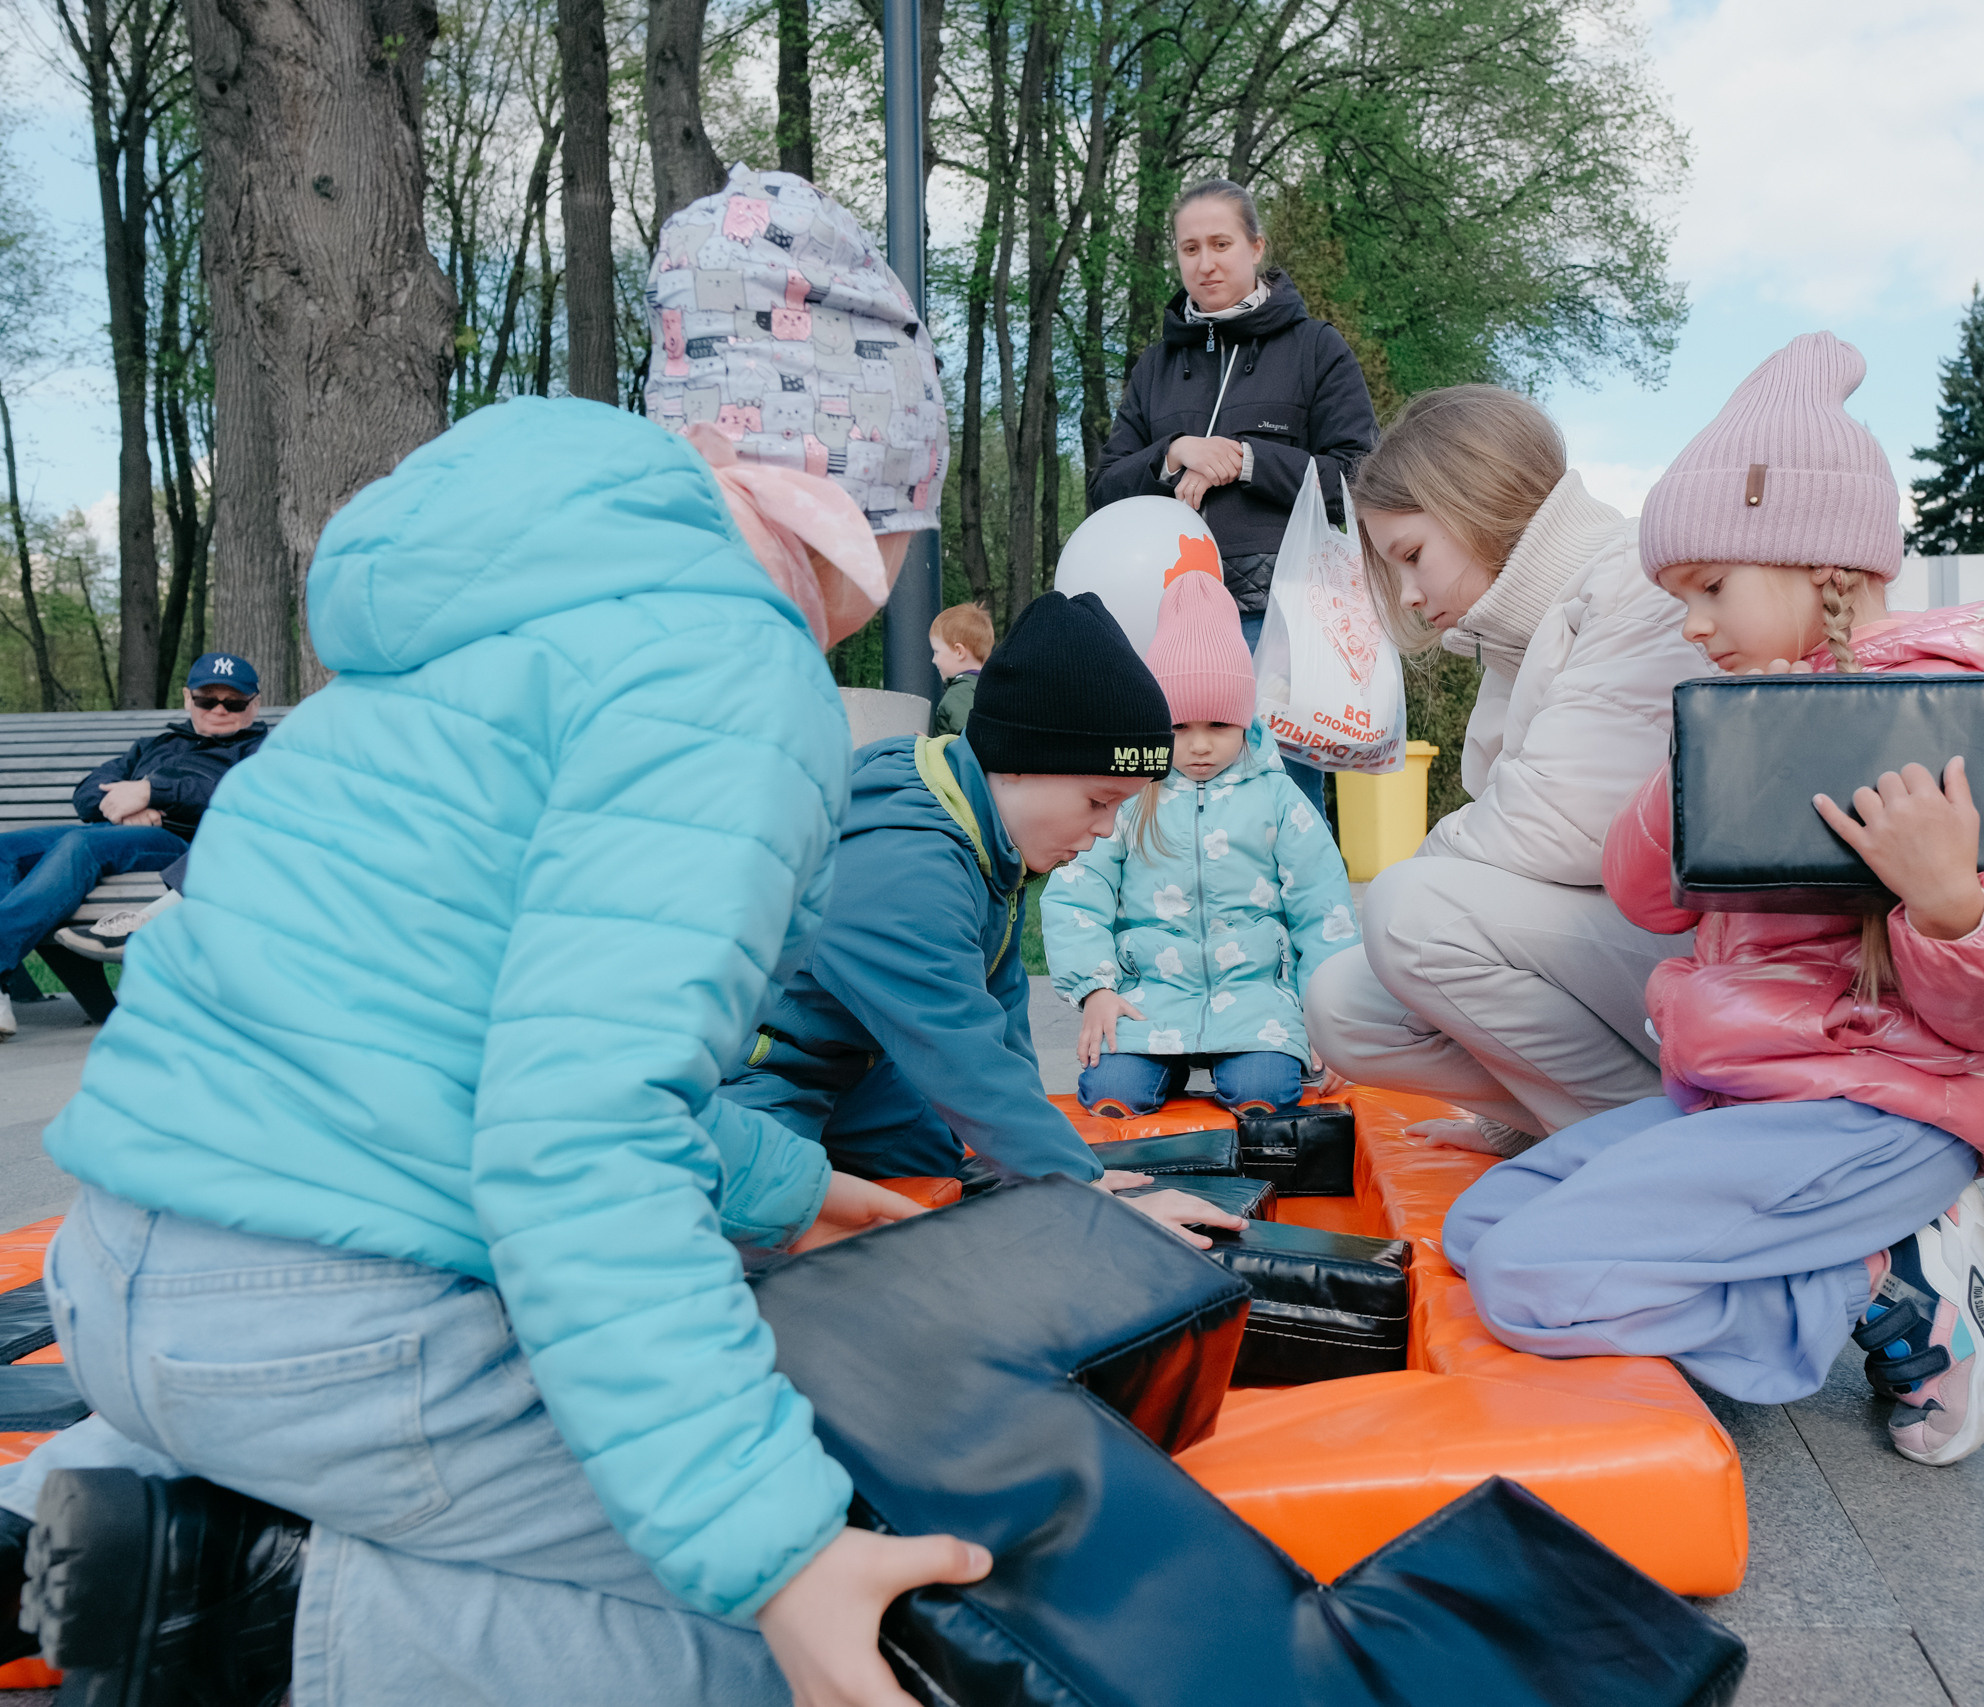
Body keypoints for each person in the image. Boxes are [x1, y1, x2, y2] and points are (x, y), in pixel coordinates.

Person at [0, 169, 997, 1707]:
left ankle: (87, 1495)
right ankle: (239, 1607)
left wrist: (790, 1183)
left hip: (124, 1271)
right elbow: (579, 1130)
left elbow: (475, 1034)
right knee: (818, 1627)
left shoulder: (465, 647)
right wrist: (777, 1553)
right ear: (860, 499)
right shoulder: (732, 671)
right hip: (339, 1325)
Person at [1442, 332, 1984, 1469]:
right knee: (1481, 1226)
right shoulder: (1742, 711)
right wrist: (1694, 756)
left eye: (1709, 589)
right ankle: (1826, 1259)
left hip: (1882, 1110)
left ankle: (1881, 1285)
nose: (1691, 623)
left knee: (1529, 1280)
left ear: (1829, 574)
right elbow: (1646, 896)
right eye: (1677, 598)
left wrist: (1951, 903)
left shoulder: (1948, 717)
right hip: (1742, 1099)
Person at [717, 589, 1251, 1250]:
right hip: (751, 1065)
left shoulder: (984, 830)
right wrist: (1076, 1188)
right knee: (775, 1222)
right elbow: (960, 1053)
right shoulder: (906, 863)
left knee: (948, 1162)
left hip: (853, 1061)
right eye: (1097, 799)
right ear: (1022, 759)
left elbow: (1000, 1033)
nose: (1104, 828)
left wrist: (1064, 1172)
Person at [1301, 385, 1705, 1154]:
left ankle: (1657, 1146)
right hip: (1631, 943)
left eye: (1414, 557)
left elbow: (1558, 826)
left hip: (1697, 946)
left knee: (1409, 915)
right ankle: (1556, 1125)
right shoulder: (1520, 637)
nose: (1413, 598)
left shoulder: (1634, 582)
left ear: (1476, 502)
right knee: (1343, 1004)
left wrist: (1405, 893)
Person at [1086, 177, 1378, 808]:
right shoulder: (1155, 367)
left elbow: (1360, 478)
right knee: (1162, 803)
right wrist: (1173, 453)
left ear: (1256, 247)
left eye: (1221, 243)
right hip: (1160, 619)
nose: (1206, 261)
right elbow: (1105, 491)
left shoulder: (1315, 350)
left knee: (1276, 803)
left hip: (1273, 624)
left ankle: (1296, 909)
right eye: (1190, 248)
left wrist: (1246, 461)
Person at [1044, 571, 1360, 1118]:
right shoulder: (1129, 793)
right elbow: (1078, 891)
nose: (1197, 745)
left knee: (1267, 1093)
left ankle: (1255, 1081)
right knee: (1112, 1095)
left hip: (1257, 998)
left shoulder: (1277, 795)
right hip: (1149, 1000)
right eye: (1178, 725)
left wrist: (1331, 1022)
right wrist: (1095, 990)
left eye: (1218, 723)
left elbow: (1322, 907)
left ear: (1244, 716)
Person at [0, 654, 268, 1039]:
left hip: (182, 843)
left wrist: (150, 791)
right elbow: (88, 794)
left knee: (82, 844)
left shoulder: (262, 751)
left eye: (235, 702)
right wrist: (127, 811)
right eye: (208, 699)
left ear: (254, 704)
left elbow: (238, 795)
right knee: (5, 849)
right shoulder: (153, 746)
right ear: (188, 698)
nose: (220, 710)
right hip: (118, 833)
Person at [928, 600, 993, 735]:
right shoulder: (988, 687)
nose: (934, 660)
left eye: (937, 652)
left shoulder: (959, 694)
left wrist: (929, 747)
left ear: (959, 652)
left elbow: (968, 745)